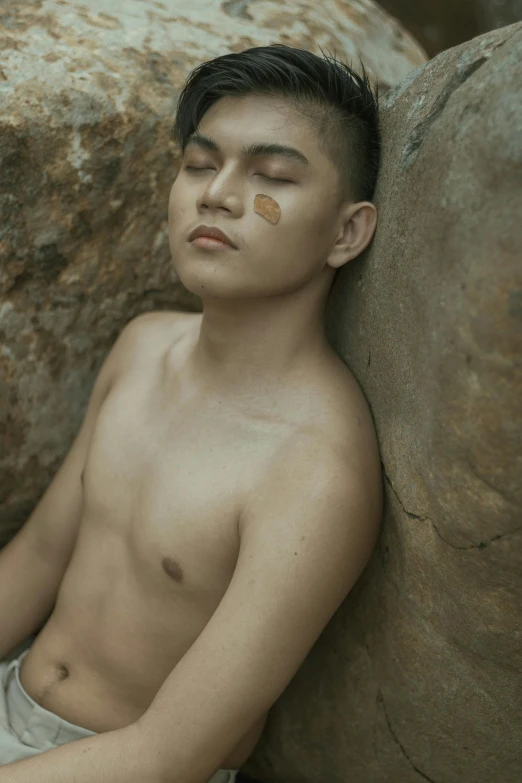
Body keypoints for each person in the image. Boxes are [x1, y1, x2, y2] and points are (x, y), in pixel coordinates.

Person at [0, 43, 383, 783]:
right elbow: (36, 558)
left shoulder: (314, 472)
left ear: (347, 232)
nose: (218, 194)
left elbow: (172, 753)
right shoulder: (144, 348)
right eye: (201, 164)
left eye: (271, 176)